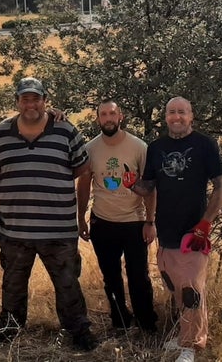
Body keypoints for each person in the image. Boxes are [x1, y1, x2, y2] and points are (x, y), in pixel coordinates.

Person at [0, 77, 98, 351]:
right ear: (17, 102)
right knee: (12, 285)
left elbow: (79, 168)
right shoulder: (0, 134)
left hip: (58, 229)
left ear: (45, 101)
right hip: (15, 230)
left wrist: (50, 182)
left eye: (36, 98)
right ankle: (10, 327)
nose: (30, 104)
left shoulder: (66, 130)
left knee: (68, 284)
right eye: (25, 99)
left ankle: (79, 330)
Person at [133, 96, 222, 362]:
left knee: (191, 290)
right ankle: (184, 335)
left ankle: (191, 345)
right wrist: (130, 184)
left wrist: (205, 223)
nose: (176, 117)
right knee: (175, 287)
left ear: (191, 116)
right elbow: (148, 187)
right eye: (172, 112)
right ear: (165, 118)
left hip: (194, 233)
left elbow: (220, 186)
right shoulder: (156, 147)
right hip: (166, 231)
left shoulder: (204, 144)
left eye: (182, 112)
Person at [76, 100, 158, 333]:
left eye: (112, 113)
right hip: (102, 222)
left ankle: (147, 324)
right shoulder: (90, 149)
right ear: (97, 119)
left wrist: (150, 222)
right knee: (111, 278)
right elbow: (83, 185)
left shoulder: (139, 147)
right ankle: (120, 321)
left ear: (120, 117)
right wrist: (81, 218)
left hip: (134, 222)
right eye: (103, 114)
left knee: (138, 277)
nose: (108, 118)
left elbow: (150, 188)